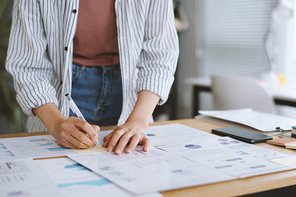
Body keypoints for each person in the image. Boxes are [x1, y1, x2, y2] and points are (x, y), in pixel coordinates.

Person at [5, 0, 179, 155]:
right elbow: (28, 65)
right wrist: (57, 124)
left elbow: (160, 56)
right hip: (57, 95)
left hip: (132, 96)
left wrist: (138, 121)